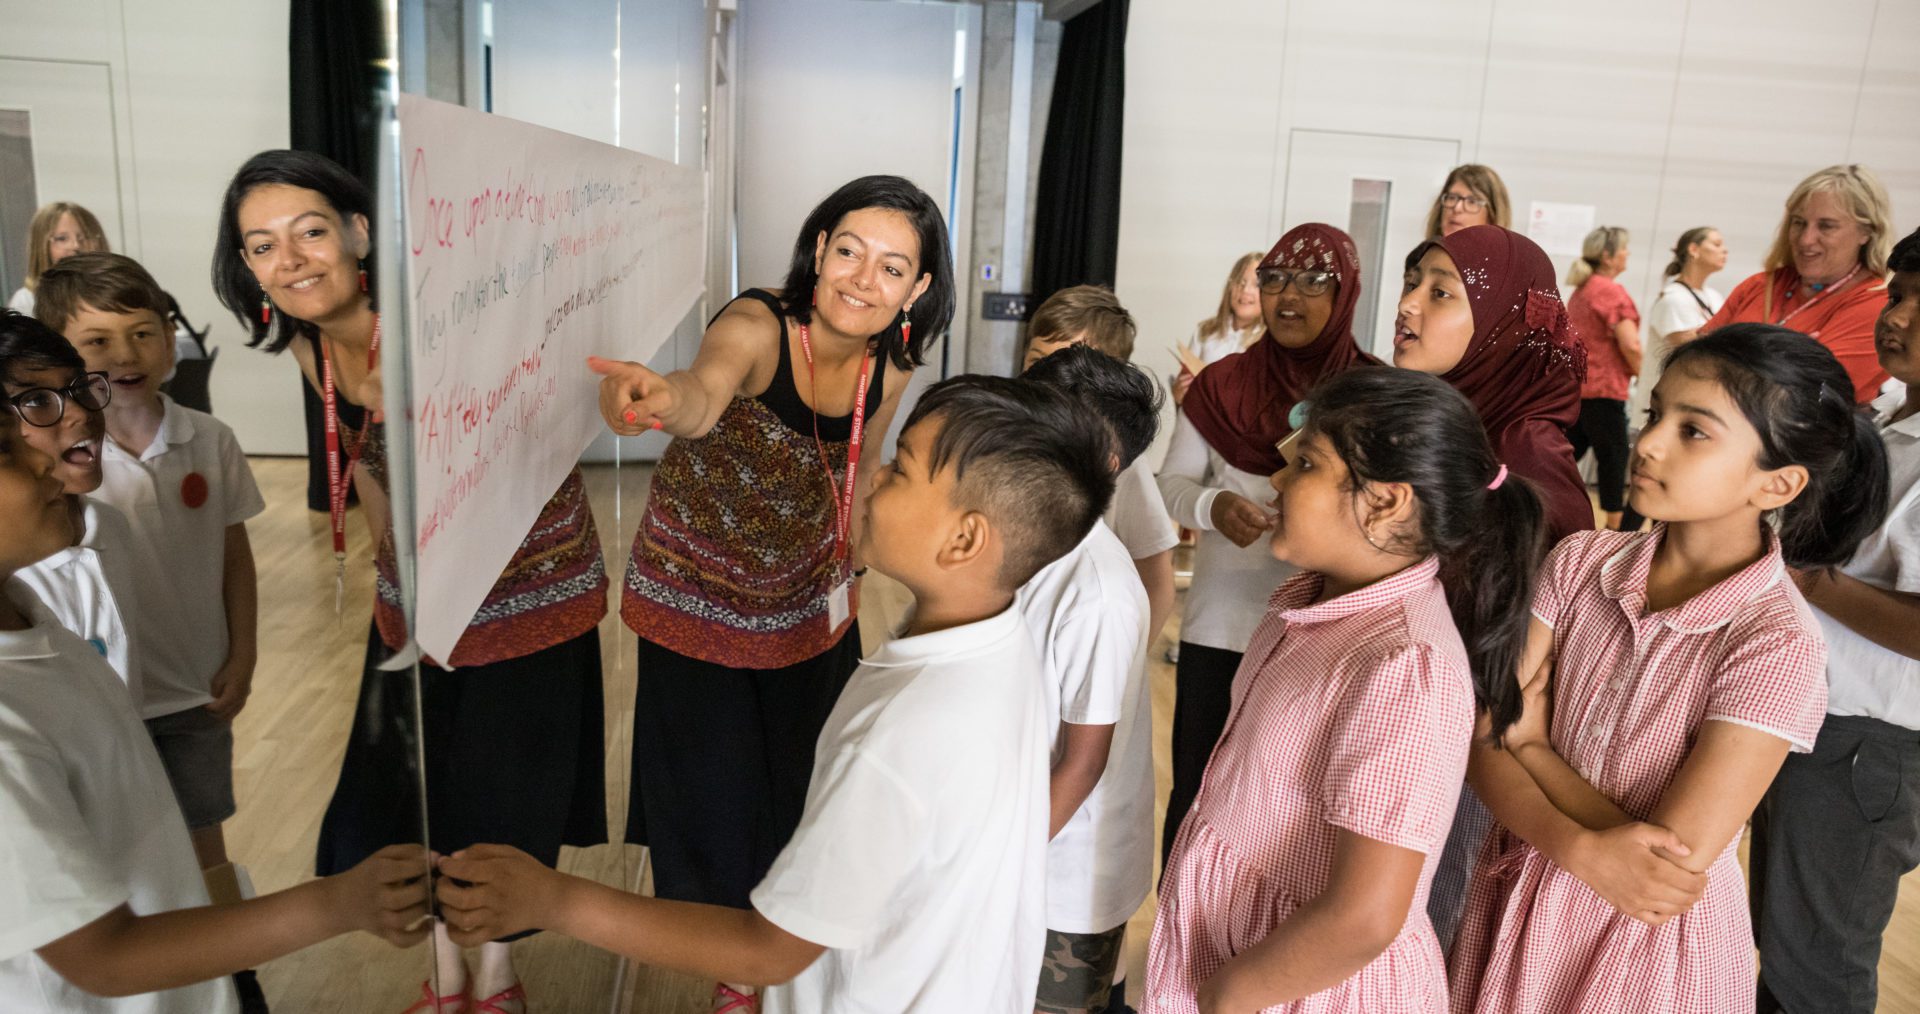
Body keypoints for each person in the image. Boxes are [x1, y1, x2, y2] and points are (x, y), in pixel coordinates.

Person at [435, 375, 1117, 1014]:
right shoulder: (1004, 641)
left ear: (965, 539)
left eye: (901, 469)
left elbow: (770, 951)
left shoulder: (905, 732)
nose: (874, 478)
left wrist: (554, 900)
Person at [212, 148, 610, 1014]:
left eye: (310, 232)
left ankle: (495, 978)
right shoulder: (315, 353)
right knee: (417, 790)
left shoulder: (441, 324)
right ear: (247, 269)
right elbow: (370, 474)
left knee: (503, 788)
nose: (292, 260)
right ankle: (444, 968)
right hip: (420, 603)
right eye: (262, 246)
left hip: (526, 591)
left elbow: (548, 434)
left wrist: (451, 399)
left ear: (358, 233)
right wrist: (392, 593)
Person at [590, 174, 952, 1011]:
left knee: (809, 782)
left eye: (892, 268)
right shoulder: (756, 325)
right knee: (714, 791)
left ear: (918, 288)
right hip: (697, 601)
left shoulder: (889, 363)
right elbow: (702, 392)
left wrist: (854, 571)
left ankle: (788, 943)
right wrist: (656, 397)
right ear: (819, 250)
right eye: (850, 252)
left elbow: (856, 474)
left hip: (806, 600)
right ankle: (734, 969)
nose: (864, 279)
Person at [1450, 325, 1889, 1014]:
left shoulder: (1776, 642)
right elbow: (1477, 736)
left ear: (1779, 483)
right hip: (1519, 893)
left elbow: (1667, 866)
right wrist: (1581, 843)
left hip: (1643, 951)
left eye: (1695, 431)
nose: (1648, 442)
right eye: (1656, 414)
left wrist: (1531, 744)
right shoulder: (1580, 563)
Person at [0, 404, 432, 1013]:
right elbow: (103, 957)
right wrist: (335, 904)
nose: (42, 456)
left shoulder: (34, 626)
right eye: (4, 451)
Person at [1146, 367, 1544, 1013]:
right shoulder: (1309, 606)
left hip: (1295, 987)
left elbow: (1364, 917)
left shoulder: (1403, 665)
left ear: (1386, 501)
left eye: (1305, 464)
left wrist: (1229, 994)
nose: (1277, 480)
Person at [36, 253, 264, 922]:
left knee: (203, 840)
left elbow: (234, 555)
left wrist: (243, 654)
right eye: (96, 341)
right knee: (115, 846)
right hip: (104, 701)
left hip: (196, 690)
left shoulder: (211, 440)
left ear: (170, 340)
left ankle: (226, 967)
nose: (125, 354)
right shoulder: (65, 457)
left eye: (143, 332)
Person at [1392, 223, 1592, 947]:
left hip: (1458, 751)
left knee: (1412, 943)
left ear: (1504, 324)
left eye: (1440, 293)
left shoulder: (1524, 454)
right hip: (1409, 724)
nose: (1408, 306)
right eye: (1412, 283)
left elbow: (1529, 647)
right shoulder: (1448, 423)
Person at [1157, 223, 1375, 865]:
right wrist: (1211, 505)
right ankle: (1181, 946)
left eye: (1313, 282)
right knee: (1199, 795)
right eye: (1275, 279)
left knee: (1291, 808)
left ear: (1345, 294)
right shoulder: (1224, 384)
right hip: (1221, 629)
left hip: (1324, 633)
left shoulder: (1372, 393)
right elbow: (1168, 484)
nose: (1288, 296)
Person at [1749, 227, 1920, 1014]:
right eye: (1899, 295)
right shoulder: (1887, 415)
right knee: (1785, 946)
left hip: (1869, 743)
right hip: (1813, 718)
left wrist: (1808, 579)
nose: (1902, 318)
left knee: (1817, 969)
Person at [1019, 344, 1160, 1014]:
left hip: (1062, 878)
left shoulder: (1098, 587)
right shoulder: (1028, 540)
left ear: (1105, 459)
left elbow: (1082, 764)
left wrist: (995, 862)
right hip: (1019, 852)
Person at [1022, 285, 1179, 645]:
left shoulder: (1127, 469)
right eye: (1036, 362)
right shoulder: (1005, 440)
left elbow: (1157, 578)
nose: (1047, 383)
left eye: (1065, 368)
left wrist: (1130, 664)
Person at [1, 310, 142, 704]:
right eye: (35, 400)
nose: (80, 412)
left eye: (80, 388)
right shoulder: (16, 568)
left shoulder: (110, 526)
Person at [1683, 164, 1895, 406]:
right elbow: (1691, 365)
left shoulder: (1875, 304)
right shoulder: (1761, 286)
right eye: (1798, 222)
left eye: (1826, 226)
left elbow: (1805, 396)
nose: (1806, 239)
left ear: (1866, 231)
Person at [1626, 227, 1727, 531]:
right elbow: (1694, 349)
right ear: (1693, 250)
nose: (1725, 251)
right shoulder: (1672, 298)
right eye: (1717, 244)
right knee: (1652, 483)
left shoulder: (1713, 296)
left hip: (1696, 407)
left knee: (1669, 488)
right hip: (1662, 410)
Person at [1564, 226, 1642, 531]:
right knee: (1614, 458)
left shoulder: (1582, 290)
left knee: (1568, 454)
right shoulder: (1610, 291)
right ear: (1608, 256)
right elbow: (1631, 344)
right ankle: (1615, 530)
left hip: (1579, 387)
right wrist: (1643, 374)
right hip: (1605, 389)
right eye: (1624, 249)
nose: (1628, 254)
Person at [1171, 252, 1265, 405]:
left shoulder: (1268, 343)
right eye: (1240, 282)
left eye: (1256, 285)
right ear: (1230, 286)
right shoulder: (1205, 331)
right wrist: (1178, 394)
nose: (1245, 290)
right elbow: (1182, 385)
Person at [7, 201, 109, 316]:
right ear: (41, 246)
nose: (75, 246)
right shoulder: (26, 301)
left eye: (84, 237)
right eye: (62, 238)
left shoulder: (111, 293)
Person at [1424, 165, 1512, 240]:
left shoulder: (1499, 260)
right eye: (1451, 198)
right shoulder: (1421, 257)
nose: (1457, 208)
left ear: (1493, 215)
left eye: (1472, 201)